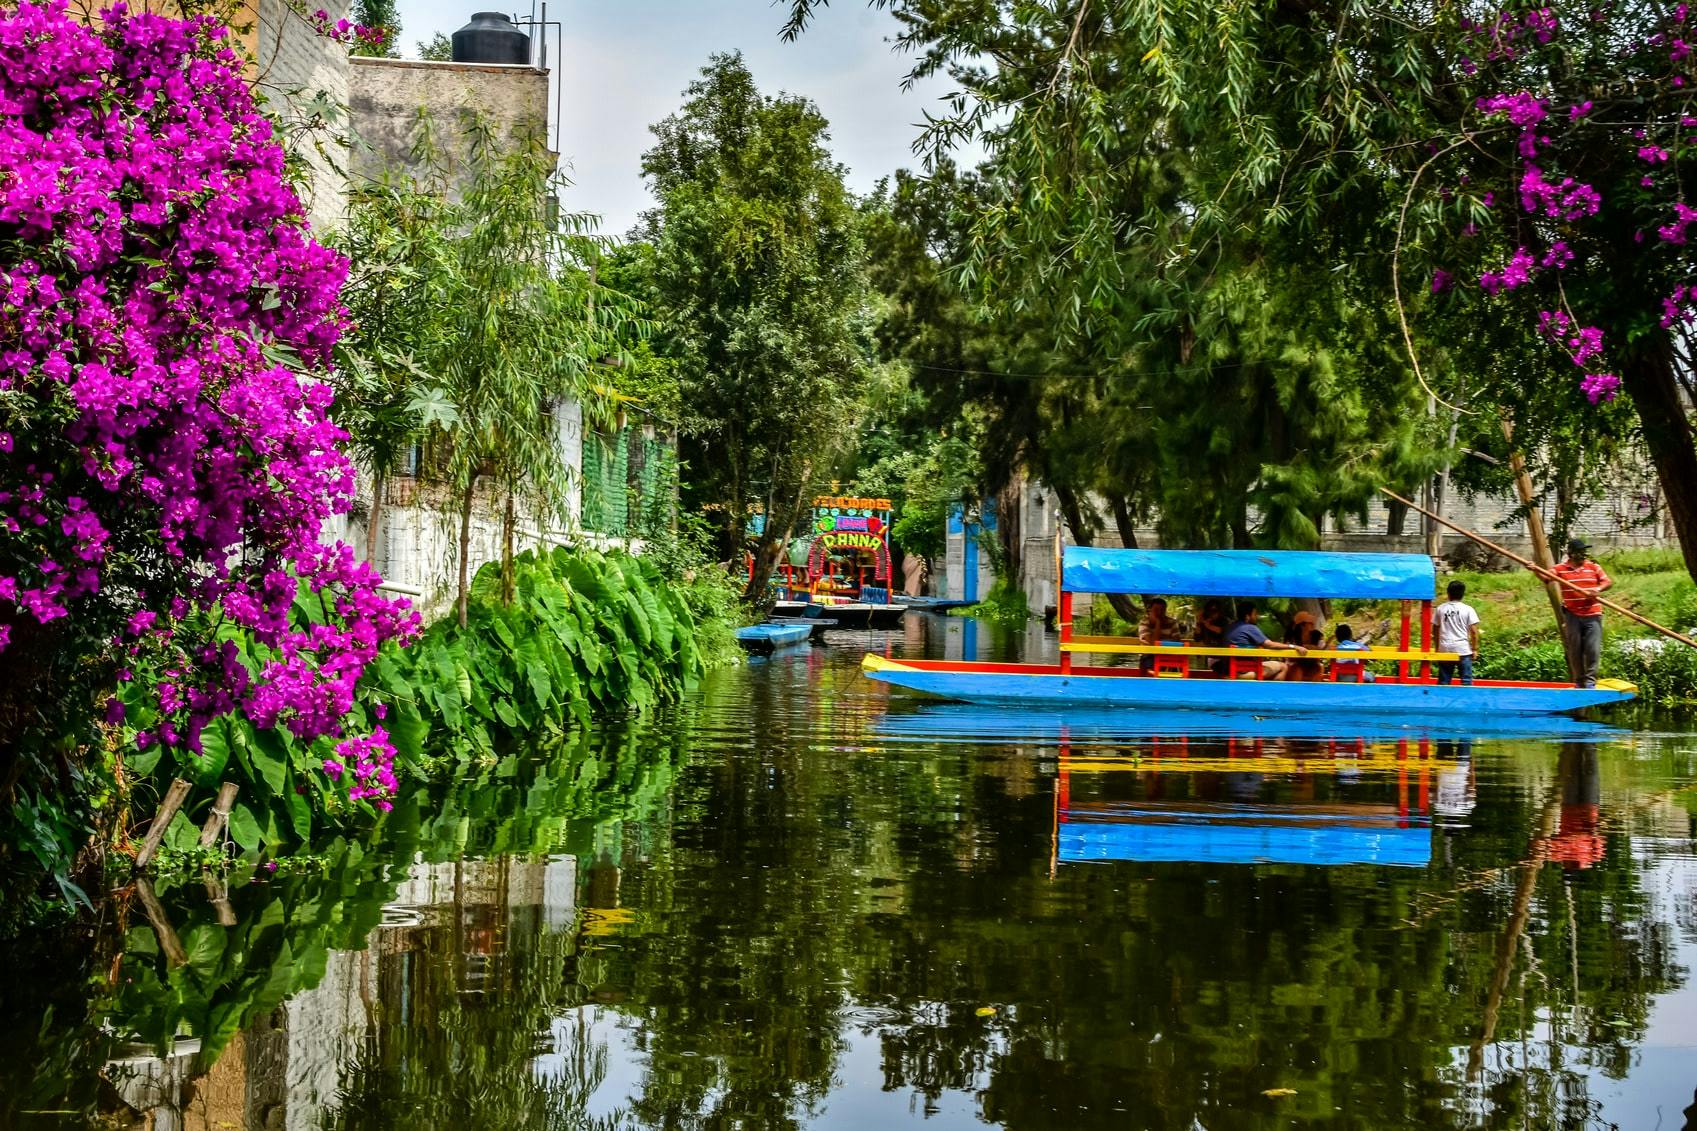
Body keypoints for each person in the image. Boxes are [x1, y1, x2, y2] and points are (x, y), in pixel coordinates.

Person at [1551, 538, 1612, 689]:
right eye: (1580, 552)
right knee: (1575, 648)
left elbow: (1607, 582)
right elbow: (1546, 577)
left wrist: (1597, 589)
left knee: (1592, 649)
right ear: (1571, 554)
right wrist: (1534, 568)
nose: (1583, 554)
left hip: (1592, 613)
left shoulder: (1594, 567)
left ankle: (1590, 681)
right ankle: (1579, 681)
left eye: (1584, 551)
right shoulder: (1559, 569)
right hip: (1572, 614)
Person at [1214, 601, 1306, 679]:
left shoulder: (1230, 627)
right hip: (1243, 672)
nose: (1256, 616)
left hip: (1226, 671)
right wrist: (1293, 646)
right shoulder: (1249, 627)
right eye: (1254, 614)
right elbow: (1270, 645)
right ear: (1247, 616)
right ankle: (1272, 695)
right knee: (1283, 666)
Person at [1434, 579, 1481, 686]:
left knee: (1444, 682)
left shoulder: (1440, 609)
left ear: (1448, 593)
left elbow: (1435, 630)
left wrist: (1437, 647)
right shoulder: (1468, 609)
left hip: (1445, 649)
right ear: (1462, 594)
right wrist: (1474, 649)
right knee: (1466, 681)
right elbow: (1473, 632)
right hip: (1463, 649)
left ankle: (1442, 701)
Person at [1138, 597, 1182, 672]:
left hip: (1168, 655)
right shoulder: (1144, 623)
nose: (1159, 612)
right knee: (1148, 661)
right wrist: (1158, 623)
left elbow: (1177, 641)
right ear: (1150, 610)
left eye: (1162, 610)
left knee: (1177, 664)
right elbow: (1153, 644)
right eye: (1156, 610)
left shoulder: (1172, 623)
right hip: (1149, 655)